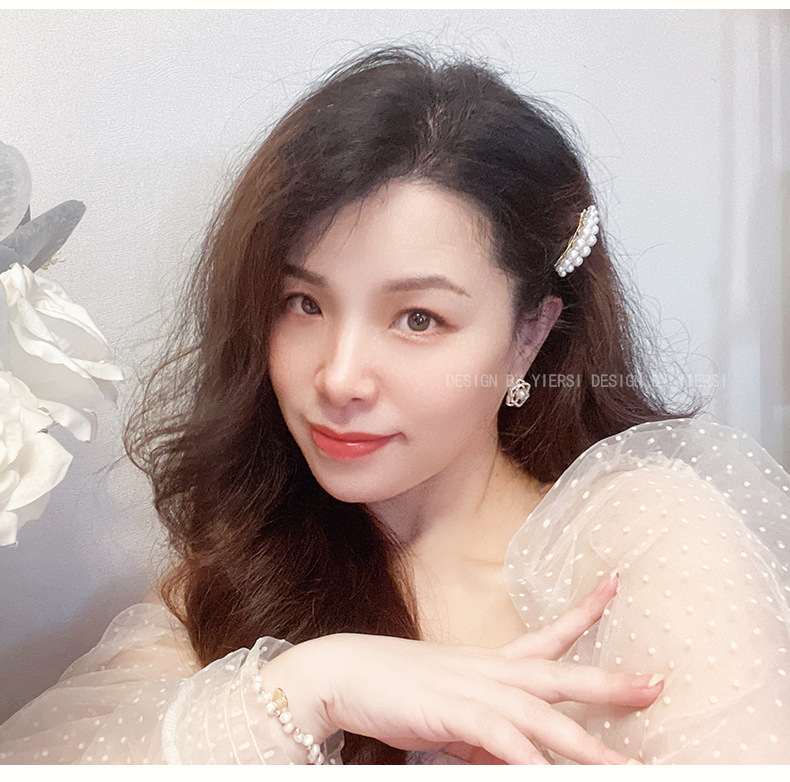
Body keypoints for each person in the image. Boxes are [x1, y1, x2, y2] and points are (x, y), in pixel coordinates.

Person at [1, 46, 789, 766]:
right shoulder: (231, 582)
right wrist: (315, 687)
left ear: (530, 335)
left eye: (418, 318)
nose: (339, 378)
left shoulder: (639, 539)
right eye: (304, 303)